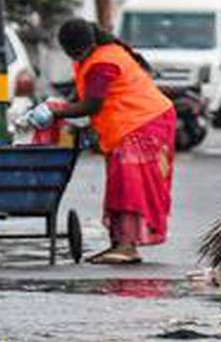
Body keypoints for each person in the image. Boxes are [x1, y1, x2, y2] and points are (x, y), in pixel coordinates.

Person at [21, 18, 176, 264]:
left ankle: (127, 246)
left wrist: (56, 112)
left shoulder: (104, 62)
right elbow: (84, 94)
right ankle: (119, 244)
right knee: (118, 183)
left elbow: (93, 104)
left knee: (130, 185)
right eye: (71, 53)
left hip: (144, 122)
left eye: (77, 51)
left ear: (88, 44)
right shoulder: (94, 57)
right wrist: (55, 104)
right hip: (130, 123)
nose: (75, 56)